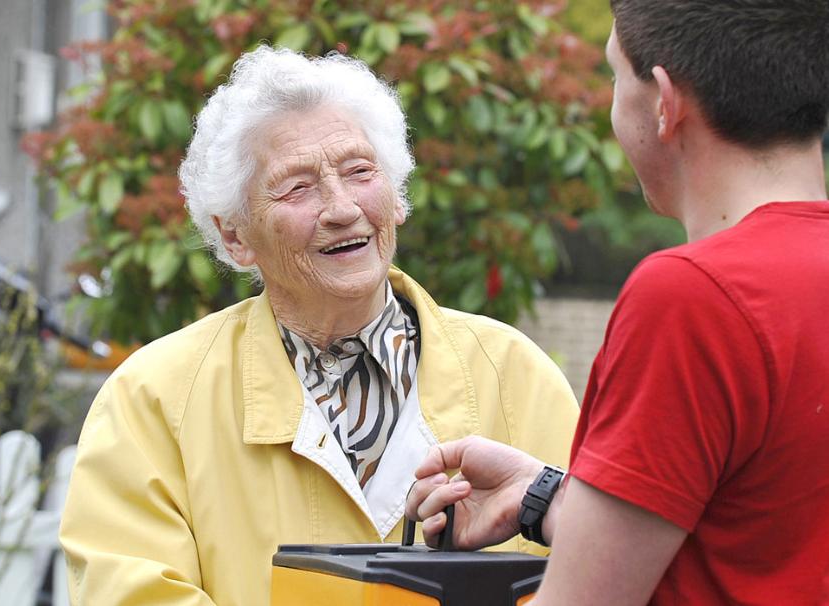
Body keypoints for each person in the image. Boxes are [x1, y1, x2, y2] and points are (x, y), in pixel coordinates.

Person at [58, 46, 580, 605]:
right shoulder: (154, 399)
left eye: (360, 172)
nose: (341, 208)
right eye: (298, 187)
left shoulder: (513, 374)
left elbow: (602, 573)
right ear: (235, 236)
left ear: (397, 197)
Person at [407, 1, 829, 604]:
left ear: (663, 102)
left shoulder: (694, 298)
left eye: (613, 75)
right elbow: (760, 526)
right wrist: (545, 495)